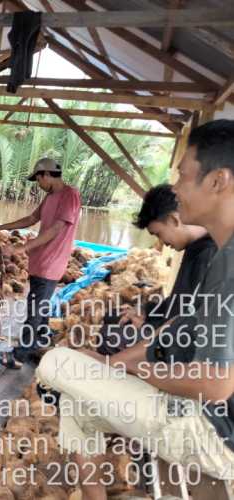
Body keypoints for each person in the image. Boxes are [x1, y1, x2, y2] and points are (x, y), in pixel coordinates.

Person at [36, 119, 234, 500]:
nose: (175, 188)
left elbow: (216, 385)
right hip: (207, 416)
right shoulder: (219, 257)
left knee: (55, 362)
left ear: (218, 181)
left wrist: (137, 370)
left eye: (183, 175)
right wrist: (113, 364)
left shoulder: (227, 262)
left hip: (212, 433)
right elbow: (180, 327)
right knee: (77, 404)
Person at [97, 184, 217, 355]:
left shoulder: (208, 257)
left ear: (173, 220)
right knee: (113, 315)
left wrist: (147, 329)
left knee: (109, 337)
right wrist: (144, 310)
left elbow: (190, 324)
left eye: (159, 234)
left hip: (176, 344)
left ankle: (126, 375)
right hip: (167, 324)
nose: (161, 243)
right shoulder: (193, 247)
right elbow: (178, 301)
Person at [0, 157, 81, 366]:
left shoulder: (70, 195)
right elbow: (31, 219)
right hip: (40, 261)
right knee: (39, 305)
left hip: (52, 263)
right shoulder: (50, 197)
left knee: (35, 310)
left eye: (39, 179)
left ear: (47, 175)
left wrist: (21, 248)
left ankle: (18, 356)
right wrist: (1, 227)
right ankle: (40, 343)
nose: (38, 184)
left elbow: (56, 229)